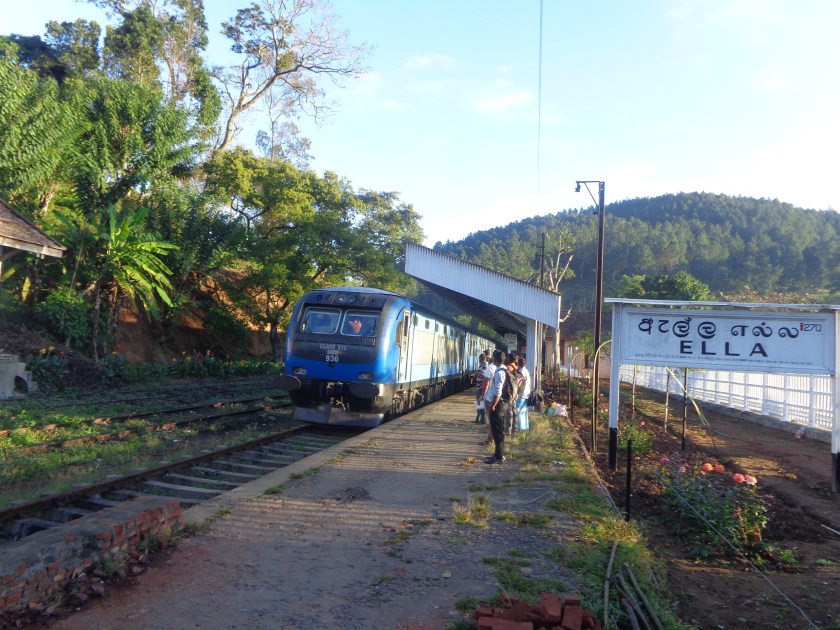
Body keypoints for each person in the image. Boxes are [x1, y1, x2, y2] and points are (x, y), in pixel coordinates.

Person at [483, 349, 509, 464]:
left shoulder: (499, 373)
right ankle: (498, 454)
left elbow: (498, 392)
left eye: (493, 357)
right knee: (497, 431)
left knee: (497, 431)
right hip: (499, 404)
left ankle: (499, 456)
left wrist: (493, 405)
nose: (492, 359)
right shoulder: (503, 370)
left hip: (497, 405)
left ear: (496, 359)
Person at [515, 355, 532, 432]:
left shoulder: (521, 372)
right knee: (524, 410)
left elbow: (518, 383)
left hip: (522, 393)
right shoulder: (526, 371)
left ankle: (520, 427)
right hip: (526, 392)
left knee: (519, 410)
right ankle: (525, 426)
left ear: (519, 364)